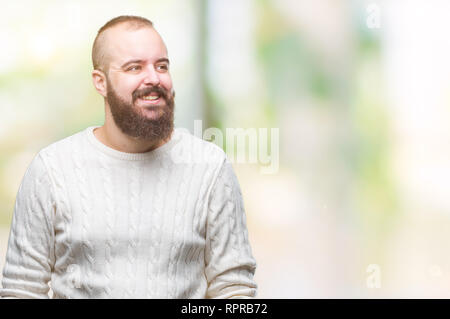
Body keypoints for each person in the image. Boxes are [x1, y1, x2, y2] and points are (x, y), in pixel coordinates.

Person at [0, 15, 257, 299]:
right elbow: (21, 290)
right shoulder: (51, 169)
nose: (154, 78)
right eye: (134, 67)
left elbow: (234, 291)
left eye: (162, 66)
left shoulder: (210, 167)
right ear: (101, 82)